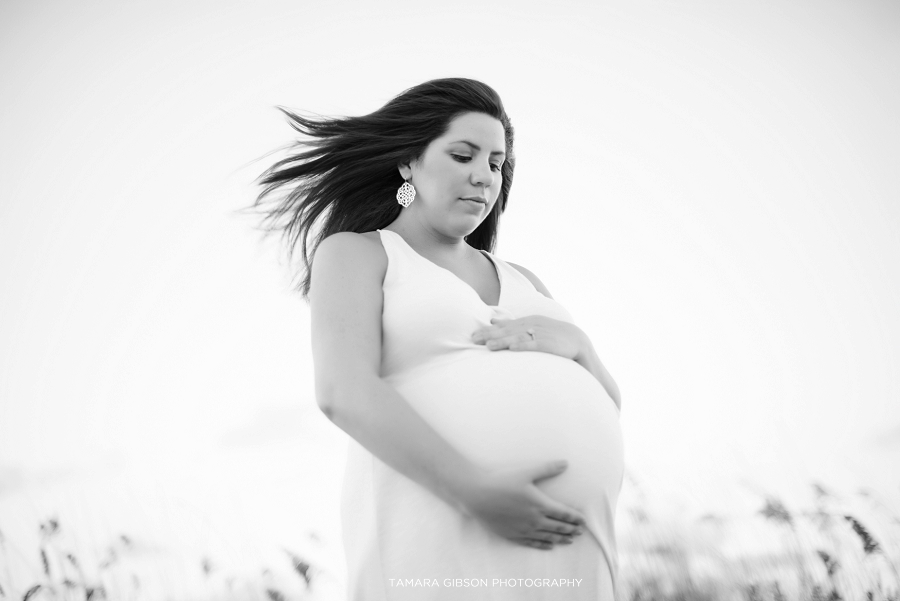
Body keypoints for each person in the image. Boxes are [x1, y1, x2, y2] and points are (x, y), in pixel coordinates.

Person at [253, 78, 624, 600]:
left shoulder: (525, 281)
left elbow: (607, 409)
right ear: (409, 162)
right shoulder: (360, 253)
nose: (482, 176)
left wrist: (580, 345)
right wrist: (474, 491)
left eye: (496, 164)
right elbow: (343, 390)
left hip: (568, 548)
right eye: (462, 155)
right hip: (445, 519)